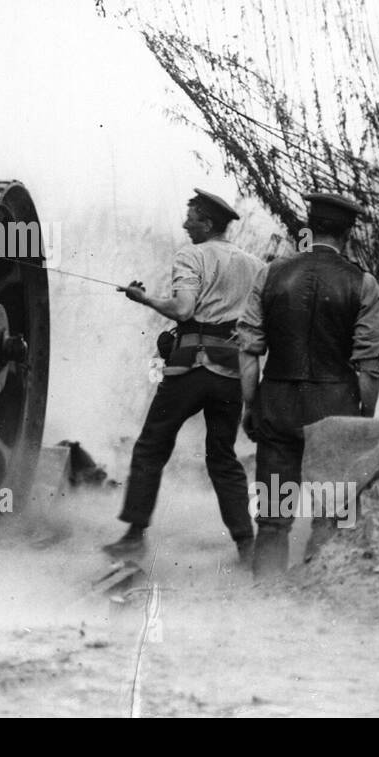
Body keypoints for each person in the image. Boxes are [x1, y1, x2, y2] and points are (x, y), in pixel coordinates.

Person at [103, 189, 264, 563]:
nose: (184, 222)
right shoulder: (255, 266)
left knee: (151, 446)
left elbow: (183, 308)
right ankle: (245, 543)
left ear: (207, 222)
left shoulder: (191, 255)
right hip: (230, 373)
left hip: (189, 368)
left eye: (190, 216)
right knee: (223, 457)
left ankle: (133, 535)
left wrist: (144, 299)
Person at [237, 192, 379, 581]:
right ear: (348, 233)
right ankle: (314, 600)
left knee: (273, 516)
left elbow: (249, 350)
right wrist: (362, 421)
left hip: (277, 404)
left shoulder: (271, 273)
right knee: (330, 513)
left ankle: (265, 596)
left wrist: (251, 405)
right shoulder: (363, 283)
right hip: (334, 411)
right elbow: (371, 365)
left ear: (308, 226)